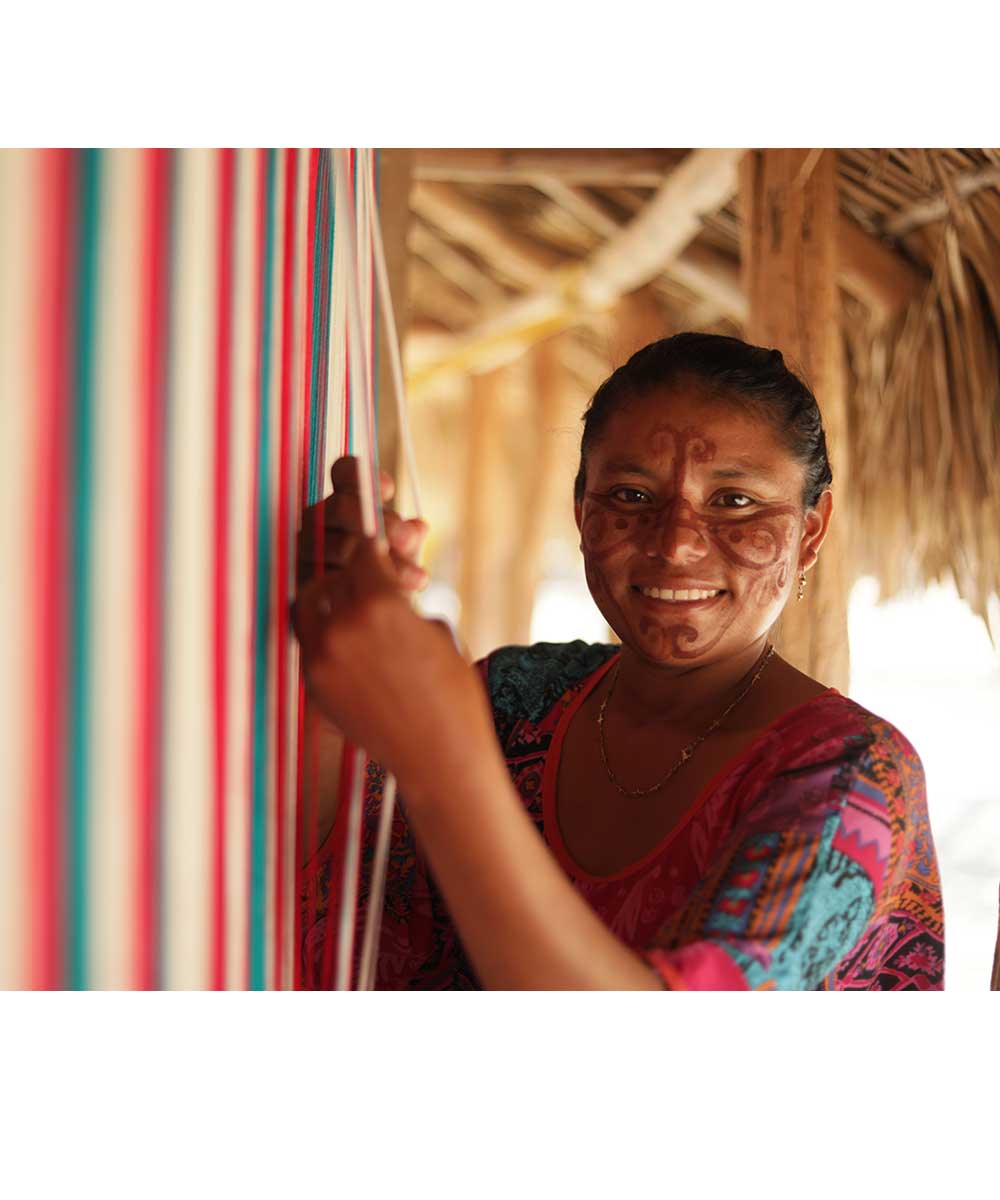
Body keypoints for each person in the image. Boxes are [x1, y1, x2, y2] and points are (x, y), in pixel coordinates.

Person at [292, 333, 945, 990]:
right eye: (632, 495)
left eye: (733, 500)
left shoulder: (851, 780)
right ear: (582, 511)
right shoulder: (515, 700)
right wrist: (325, 619)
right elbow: (345, 895)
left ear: (810, 532)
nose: (676, 543)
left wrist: (445, 760)